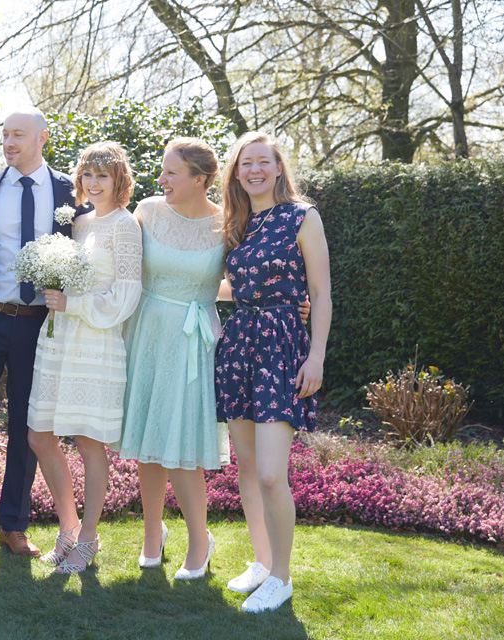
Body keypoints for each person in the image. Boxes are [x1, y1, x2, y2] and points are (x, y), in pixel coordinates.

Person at [0, 107, 78, 558]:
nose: (8, 142)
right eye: (4, 135)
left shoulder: (68, 190)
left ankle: (14, 524)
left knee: (29, 425)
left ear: (43, 137)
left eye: (18, 135)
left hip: (39, 325)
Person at [215, 131, 331, 613]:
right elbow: (233, 286)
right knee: (244, 466)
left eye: (264, 162)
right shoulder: (237, 223)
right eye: (246, 164)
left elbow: (321, 293)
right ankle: (262, 563)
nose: (255, 170)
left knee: (268, 473)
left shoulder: (303, 217)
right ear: (237, 173)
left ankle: (281, 578)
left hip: (282, 347)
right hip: (239, 342)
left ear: (279, 168)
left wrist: (317, 355)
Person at [118, 138, 230, 581]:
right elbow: (120, 262)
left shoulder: (227, 224)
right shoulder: (146, 211)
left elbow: (239, 282)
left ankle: (200, 540)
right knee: (148, 437)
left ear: (200, 179)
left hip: (194, 341)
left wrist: (287, 303)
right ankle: (152, 533)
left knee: (183, 443)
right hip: (146, 333)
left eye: (170, 173)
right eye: (162, 172)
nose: (160, 180)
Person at [27, 142, 142, 574]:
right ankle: (68, 527)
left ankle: (88, 539)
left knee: (90, 443)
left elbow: (126, 295)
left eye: (103, 176)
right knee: (39, 434)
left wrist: (71, 304)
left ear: (119, 180)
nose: (94, 183)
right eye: (88, 175)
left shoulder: (124, 226)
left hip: (96, 343)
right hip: (58, 342)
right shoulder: (80, 224)